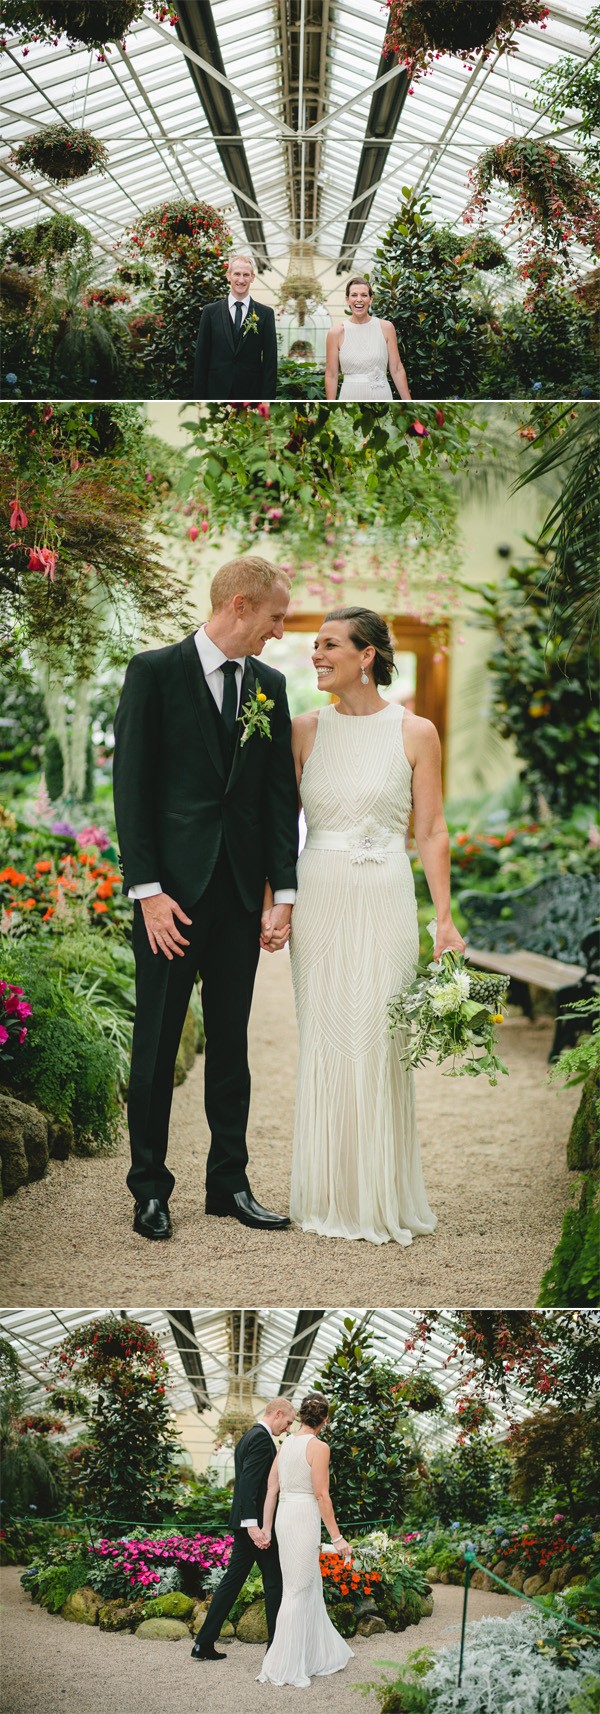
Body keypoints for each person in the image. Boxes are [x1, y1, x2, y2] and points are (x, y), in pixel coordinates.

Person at [112, 555, 298, 1242]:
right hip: (170, 901)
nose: (280, 632)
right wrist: (149, 894)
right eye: (276, 616)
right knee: (157, 1044)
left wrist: (283, 891)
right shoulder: (154, 673)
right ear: (242, 605)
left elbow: (280, 797)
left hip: (239, 899)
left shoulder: (270, 687)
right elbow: (131, 790)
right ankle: (150, 1190)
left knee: (231, 1044)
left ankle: (230, 1185)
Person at [273, 606, 464, 1245]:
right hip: (321, 894)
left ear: (367, 656)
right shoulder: (302, 729)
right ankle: (327, 1194)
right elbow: (279, 829)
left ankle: (379, 1194)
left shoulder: (417, 732)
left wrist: (443, 918)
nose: (316, 656)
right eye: (314, 646)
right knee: (327, 1038)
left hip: (385, 894)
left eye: (329, 645)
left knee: (381, 1040)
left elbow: (431, 830)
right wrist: (280, 899)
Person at [257, 1392, 353, 1688]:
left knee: (304, 1585)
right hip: (303, 1516)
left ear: (299, 1416)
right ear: (325, 1419)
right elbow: (322, 1494)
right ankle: (284, 1664)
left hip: (286, 1517)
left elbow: (272, 1489)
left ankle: (309, 1655)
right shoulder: (319, 1447)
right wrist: (337, 1538)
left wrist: (267, 1527)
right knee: (298, 1589)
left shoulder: (285, 1444)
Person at [191, 1398, 296, 1662]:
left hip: (246, 1526)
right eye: (288, 1422)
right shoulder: (261, 1439)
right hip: (256, 1527)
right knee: (275, 1584)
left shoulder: (249, 1436)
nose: (287, 1428)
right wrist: (253, 1526)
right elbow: (248, 1485)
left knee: (231, 1583)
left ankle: (203, 1643)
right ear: (278, 1413)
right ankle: (276, 1650)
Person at [194, 253, 278, 400]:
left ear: (252, 277)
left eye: (246, 275)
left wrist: (267, 399)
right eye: (237, 274)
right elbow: (202, 357)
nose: (241, 280)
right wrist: (200, 397)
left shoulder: (265, 314)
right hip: (216, 391)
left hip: (251, 392)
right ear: (228, 276)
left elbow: (270, 361)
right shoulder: (210, 312)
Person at [325, 276, 411, 400]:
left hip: (382, 395)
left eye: (364, 295)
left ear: (371, 299)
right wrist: (330, 404)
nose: (359, 300)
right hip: (349, 396)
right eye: (354, 295)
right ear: (347, 299)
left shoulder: (386, 327)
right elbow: (331, 375)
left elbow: (397, 369)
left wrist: (408, 402)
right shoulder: (335, 332)